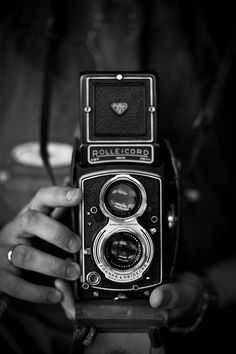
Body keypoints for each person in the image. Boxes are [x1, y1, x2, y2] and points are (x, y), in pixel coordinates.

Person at [0, 0, 236, 353]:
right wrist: (5, 258)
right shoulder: (9, 31)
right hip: (35, 331)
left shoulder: (221, 26)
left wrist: (209, 291)